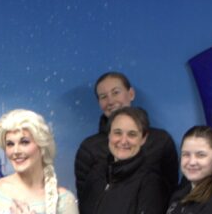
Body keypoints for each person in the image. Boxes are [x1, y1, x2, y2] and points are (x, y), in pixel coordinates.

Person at [74, 71, 179, 200]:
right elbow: (85, 199)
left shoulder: (161, 141)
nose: (110, 101)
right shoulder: (89, 148)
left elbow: (171, 193)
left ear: (131, 94)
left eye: (116, 92)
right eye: (103, 96)